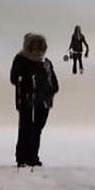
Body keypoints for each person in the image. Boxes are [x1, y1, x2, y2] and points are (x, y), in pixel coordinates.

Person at [10, 32, 59, 168]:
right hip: (27, 100)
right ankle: (22, 157)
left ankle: (32, 157)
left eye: (40, 45)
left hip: (43, 101)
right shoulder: (21, 59)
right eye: (34, 45)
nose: (37, 48)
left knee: (37, 129)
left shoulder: (46, 63)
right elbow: (14, 78)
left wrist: (49, 92)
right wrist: (27, 83)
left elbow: (54, 83)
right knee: (26, 128)